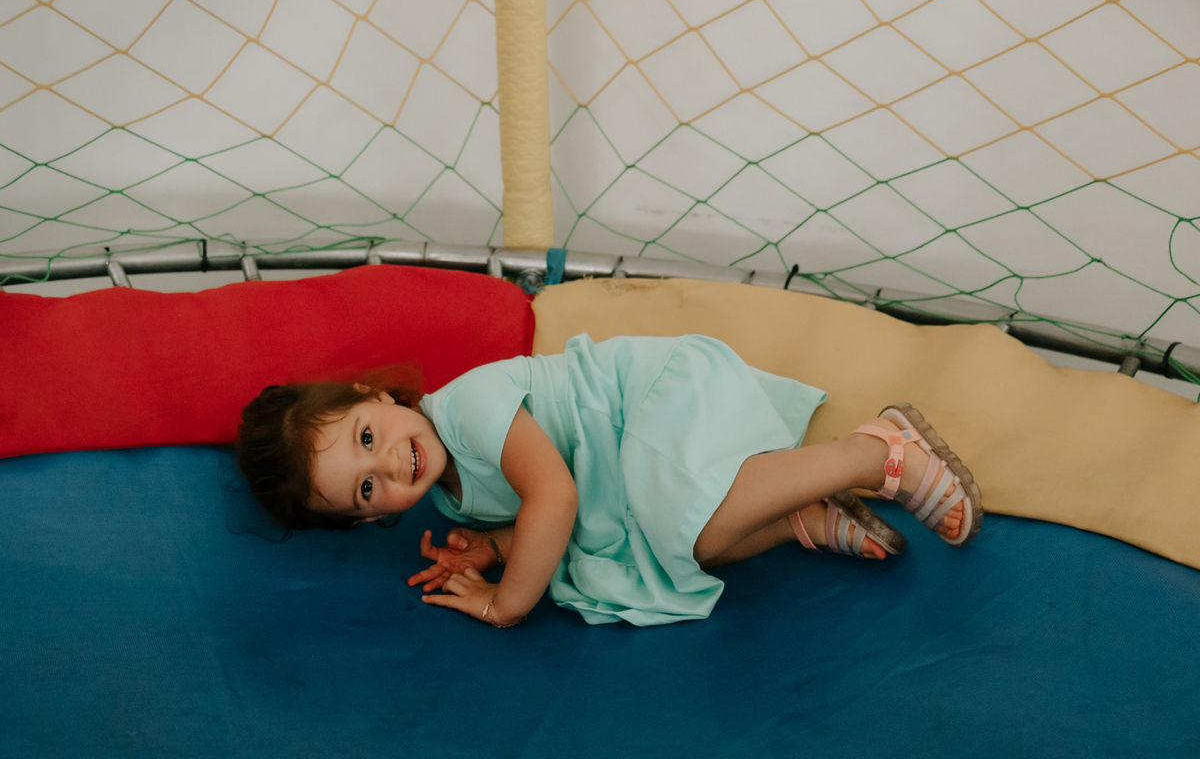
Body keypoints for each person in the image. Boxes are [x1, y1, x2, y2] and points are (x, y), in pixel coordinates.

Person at [237, 334, 980, 627]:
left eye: (368, 438)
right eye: (367, 489)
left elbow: (555, 496)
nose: (389, 465)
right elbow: (537, 509)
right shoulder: (445, 489)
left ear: (376, 395)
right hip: (623, 467)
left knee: (687, 523)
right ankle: (802, 517)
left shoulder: (465, 407)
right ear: (370, 519)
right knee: (684, 550)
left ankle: (874, 452)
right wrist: (497, 546)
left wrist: (506, 600)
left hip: (648, 405)